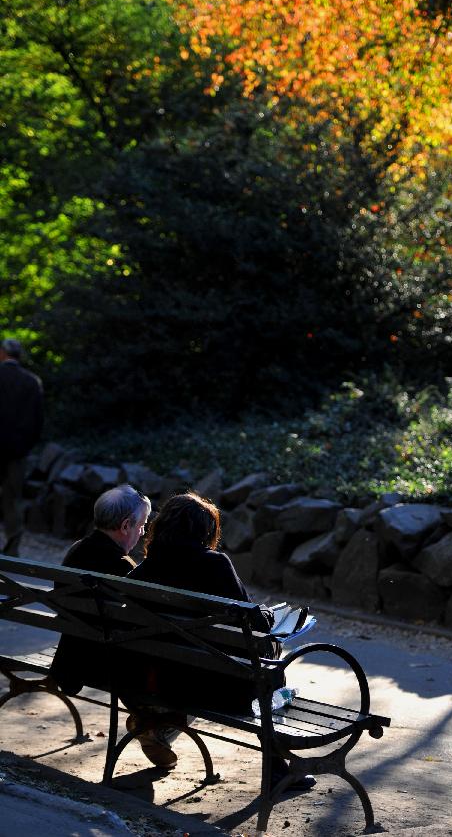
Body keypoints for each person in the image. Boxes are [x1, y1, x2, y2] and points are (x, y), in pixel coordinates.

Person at [125, 491, 315, 789]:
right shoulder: (214, 565)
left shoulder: (144, 570)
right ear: (205, 531)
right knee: (270, 670)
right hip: (217, 690)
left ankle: (158, 723)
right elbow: (254, 620)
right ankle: (278, 769)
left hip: (159, 683)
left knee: (257, 666)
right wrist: (267, 614)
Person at [50, 484, 151, 696]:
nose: (142, 533)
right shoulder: (122, 566)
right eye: (142, 526)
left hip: (70, 658)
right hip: (104, 663)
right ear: (125, 526)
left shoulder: (76, 549)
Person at [0, 338, 44, 556]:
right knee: (13, 499)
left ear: (2, 353)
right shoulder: (32, 382)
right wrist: (25, 446)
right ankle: (12, 549)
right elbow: (37, 421)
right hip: (18, 451)